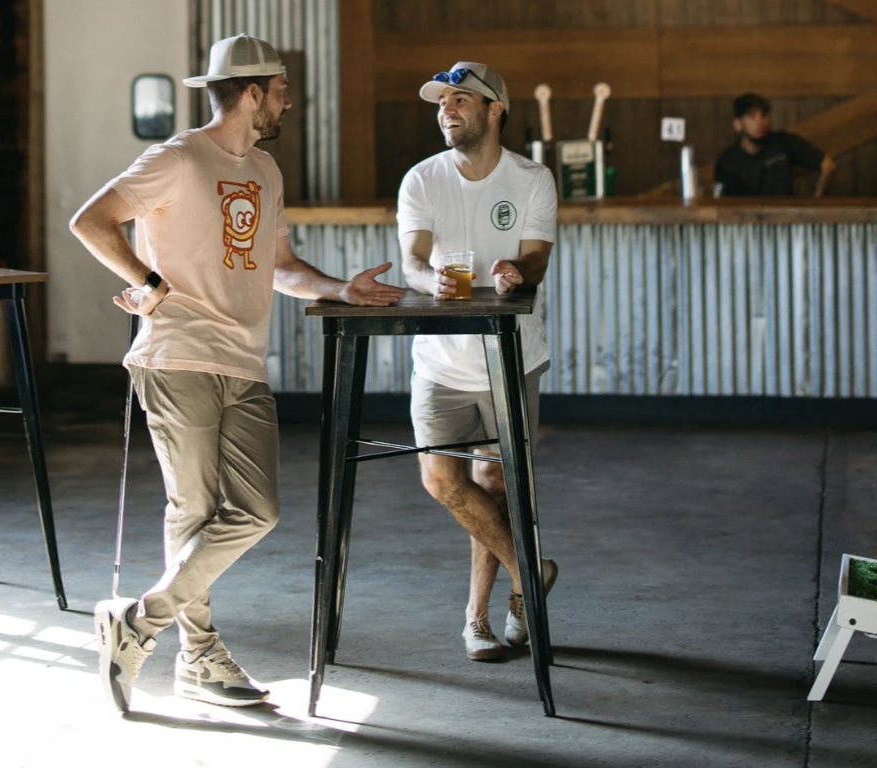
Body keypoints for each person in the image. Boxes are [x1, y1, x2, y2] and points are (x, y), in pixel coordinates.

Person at [71, 33, 404, 712]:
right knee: (192, 511)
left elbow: (280, 267)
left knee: (257, 510)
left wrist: (344, 289)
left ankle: (138, 621)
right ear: (252, 92)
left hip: (243, 363)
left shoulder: (266, 174)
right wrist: (148, 280)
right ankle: (198, 658)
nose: (288, 100)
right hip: (177, 356)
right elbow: (91, 220)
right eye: (281, 89)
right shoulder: (176, 159)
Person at [397, 62, 558, 662]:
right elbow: (412, 260)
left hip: (510, 360)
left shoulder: (533, 179)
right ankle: (529, 574)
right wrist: (426, 277)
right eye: (442, 101)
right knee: (441, 479)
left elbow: (536, 258)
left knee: (496, 482)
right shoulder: (421, 179)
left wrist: (519, 273)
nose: (447, 109)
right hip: (439, 362)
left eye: (461, 99)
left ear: (495, 110)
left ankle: (480, 618)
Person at [714, 93, 836, 197]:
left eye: (763, 115)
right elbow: (721, 204)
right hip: (746, 221)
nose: (760, 122)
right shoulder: (727, 161)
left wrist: (817, 200)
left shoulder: (785, 143)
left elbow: (827, 164)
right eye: (752, 117)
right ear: (738, 125)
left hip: (784, 218)